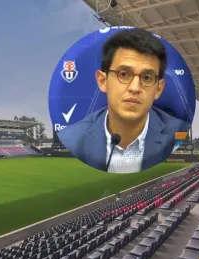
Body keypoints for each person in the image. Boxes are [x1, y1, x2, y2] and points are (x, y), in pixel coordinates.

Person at [58, 28, 191, 173]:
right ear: (103, 81)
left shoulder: (179, 133)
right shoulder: (72, 139)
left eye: (147, 77)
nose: (135, 88)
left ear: (158, 89)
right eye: (123, 74)